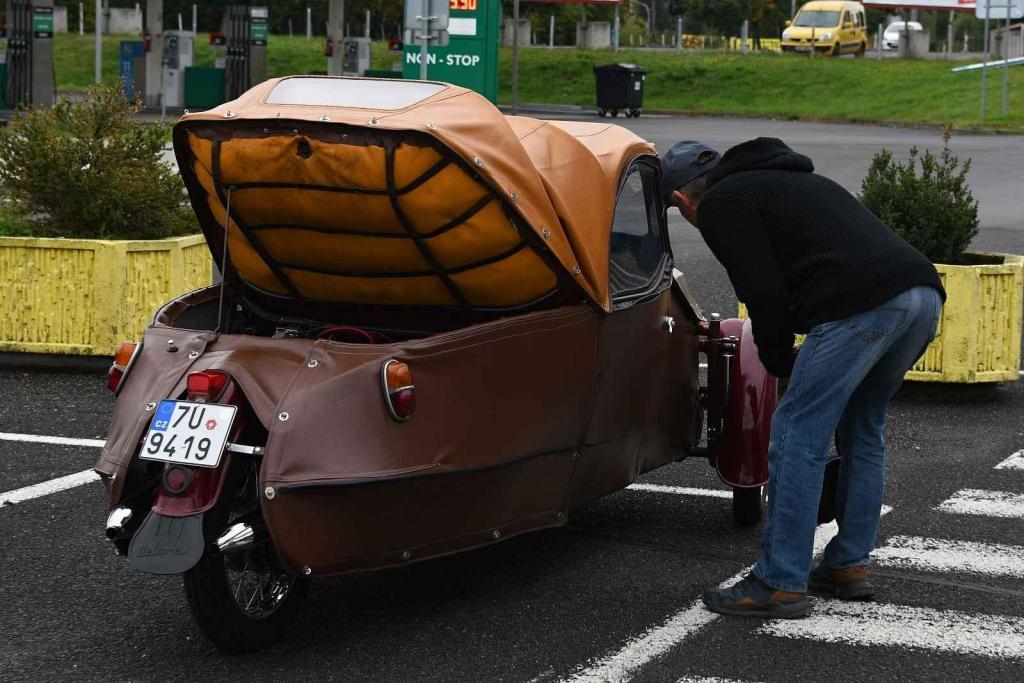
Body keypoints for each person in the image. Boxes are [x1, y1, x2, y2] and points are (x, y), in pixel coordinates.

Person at [660, 138, 945, 619]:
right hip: (921, 296)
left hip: (860, 306)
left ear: (683, 199)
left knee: (796, 435)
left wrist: (774, 355)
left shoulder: (722, 204)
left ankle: (779, 581)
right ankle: (847, 565)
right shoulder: (792, 180)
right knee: (864, 429)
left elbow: (762, 290)